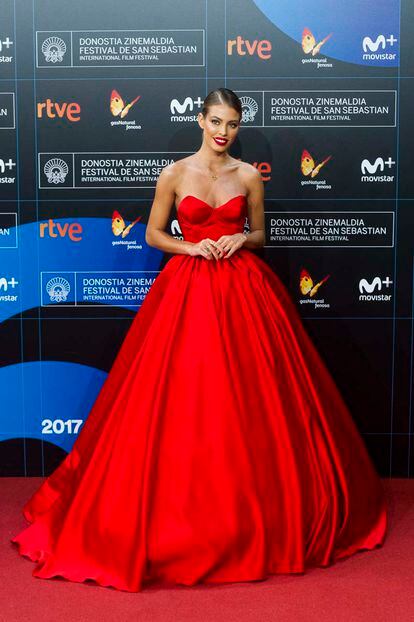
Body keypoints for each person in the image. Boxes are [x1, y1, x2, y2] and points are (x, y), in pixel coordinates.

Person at [11, 87, 387, 593]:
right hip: (186, 289)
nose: (222, 132)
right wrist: (191, 245)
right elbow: (151, 235)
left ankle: (254, 513)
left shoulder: (249, 176)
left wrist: (239, 238)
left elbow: (259, 234)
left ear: (239, 128)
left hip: (244, 291)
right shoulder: (175, 173)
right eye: (215, 121)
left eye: (231, 124)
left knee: (253, 399)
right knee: (185, 396)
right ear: (200, 120)